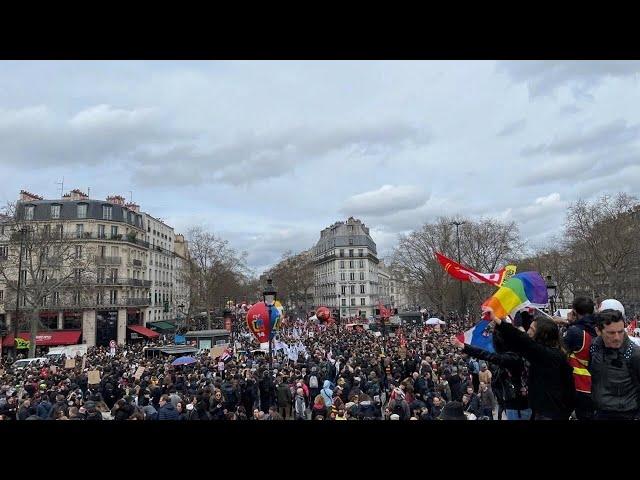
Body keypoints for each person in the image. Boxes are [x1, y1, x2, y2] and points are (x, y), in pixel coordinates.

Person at [487, 308, 575, 420]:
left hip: (549, 413)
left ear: (543, 335)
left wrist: (498, 320)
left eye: (532, 330)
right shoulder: (551, 353)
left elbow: (523, 340)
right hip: (544, 410)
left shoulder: (548, 355)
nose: (528, 332)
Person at [451, 331, 531, 421]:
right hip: (515, 403)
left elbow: (486, 355)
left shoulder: (512, 358)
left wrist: (463, 346)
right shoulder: (518, 355)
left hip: (518, 407)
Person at [589, 308, 640, 420]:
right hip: (599, 412)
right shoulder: (594, 348)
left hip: (627, 414)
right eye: (611, 333)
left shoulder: (635, 354)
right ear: (598, 331)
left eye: (621, 332)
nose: (617, 337)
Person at [561, 296, 597, 420]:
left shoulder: (574, 332)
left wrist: (568, 326)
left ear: (574, 312)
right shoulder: (601, 328)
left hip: (582, 387)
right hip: (600, 386)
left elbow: (560, 352)